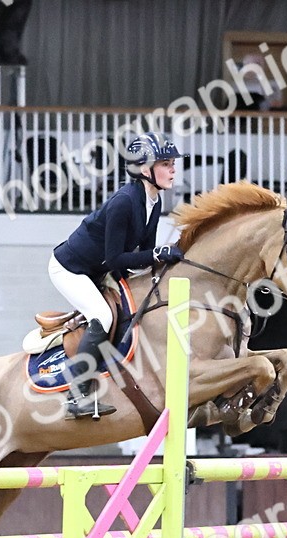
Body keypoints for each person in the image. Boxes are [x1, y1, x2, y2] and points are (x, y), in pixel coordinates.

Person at [48, 132, 186, 419]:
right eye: (165, 163)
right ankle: (77, 395)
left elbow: (143, 257)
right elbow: (116, 258)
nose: (173, 168)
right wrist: (158, 254)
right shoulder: (124, 202)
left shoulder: (154, 202)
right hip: (70, 269)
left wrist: (162, 258)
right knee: (103, 316)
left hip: (98, 270)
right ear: (145, 170)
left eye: (172, 162)